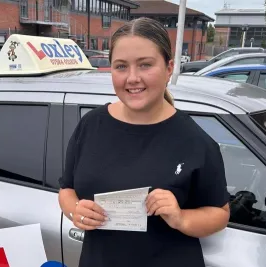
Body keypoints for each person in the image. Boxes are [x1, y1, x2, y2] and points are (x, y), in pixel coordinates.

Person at [58, 17, 230, 267]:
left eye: (145, 65)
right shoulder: (90, 126)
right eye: (121, 67)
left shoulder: (195, 141)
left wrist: (180, 217)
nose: (132, 78)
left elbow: (220, 214)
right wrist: (76, 211)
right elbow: (67, 189)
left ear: (169, 68)